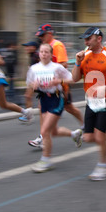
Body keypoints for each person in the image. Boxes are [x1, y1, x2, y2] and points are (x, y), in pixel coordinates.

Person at [72, 26, 106, 181]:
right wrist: (77, 62)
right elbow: (75, 78)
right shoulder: (85, 55)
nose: (86, 41)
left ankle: (104, 167)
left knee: (99, 135)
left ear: (99, 38)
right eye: (84, 39)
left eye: (88, 38)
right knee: (89, 137)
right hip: (91, 100)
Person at [26, 43, 84, 173]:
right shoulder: (34, 68)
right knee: (53, 132)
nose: (44, 54)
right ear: (39, 53)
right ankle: (74, 134)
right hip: (43, 100)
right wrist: (33, 85)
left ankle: (45, 160)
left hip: (56, 99)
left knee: (45, 130)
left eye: (47, 52)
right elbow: (29, 82)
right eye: (42, 51)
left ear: (51, 54)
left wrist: (59, 81)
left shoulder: (57, 68)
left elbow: (73, 79)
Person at [26, 24, 84, 148]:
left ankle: (85, 127)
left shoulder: (57, 45)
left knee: (69, 108)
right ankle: (44, 137)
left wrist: (54, 77)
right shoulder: (45, 47)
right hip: (46, 88)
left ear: (49, 34)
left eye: (42, 35)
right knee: (45, 110)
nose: (41, 38)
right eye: (39, 36)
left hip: (59, 87)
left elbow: (63, 63)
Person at [18, 41, 40, 124]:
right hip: (33, 80)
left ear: (33, 47)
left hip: (38, 80)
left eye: (28, 46)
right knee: (27, 96)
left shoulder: (37, 55)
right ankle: (29, 116)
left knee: (29, 96)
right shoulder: (32, 56)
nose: (26, 48)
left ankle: (29, 116)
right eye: (25, 46)